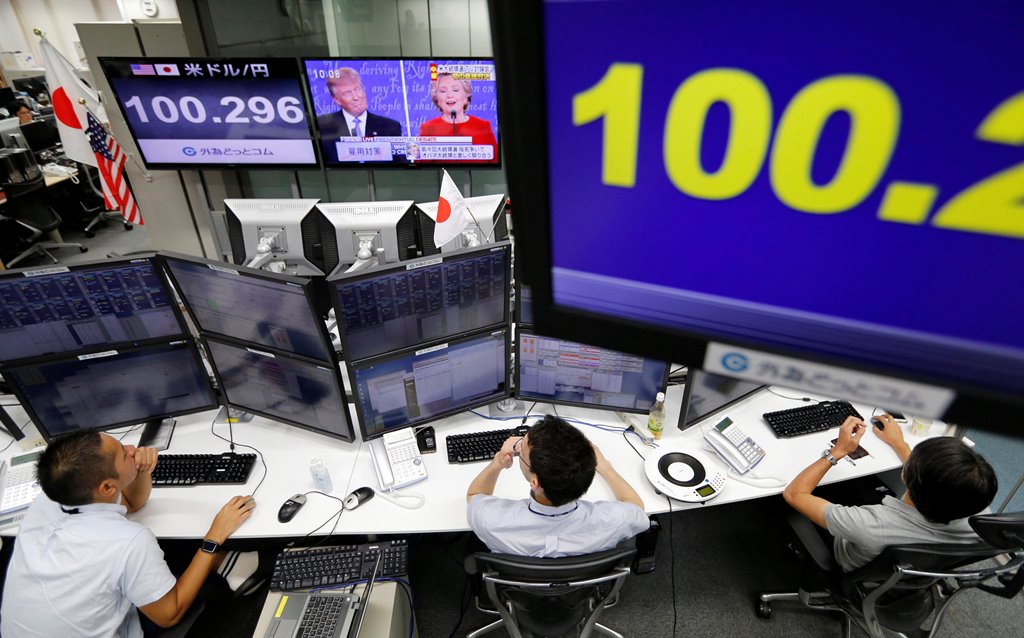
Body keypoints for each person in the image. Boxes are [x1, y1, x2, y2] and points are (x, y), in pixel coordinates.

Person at [1, 431, 260, 637]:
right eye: (123, 454)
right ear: (106, 487)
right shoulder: (127, 541)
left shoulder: (51, 499)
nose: (132, 449)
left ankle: (223, 563)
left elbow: (132, 503)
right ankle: (222, 563)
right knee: (185, 567)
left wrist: (140, 470)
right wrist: (214, 537)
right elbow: (169, 614)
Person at [783, 414, 998, 571]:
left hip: (848, 552)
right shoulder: (976, 507)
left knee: (787, 496)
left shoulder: (873, 524)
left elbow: (794, 494)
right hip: (904, 567)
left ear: (907, 477)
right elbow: (937, 479)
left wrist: (838, 451)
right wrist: (899, 443)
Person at [466, 415, 650, 557]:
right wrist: (605, 468)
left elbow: (474, 495)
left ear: (535, 482)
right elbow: (636, 506)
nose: (518, 446)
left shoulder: (491, 521)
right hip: (581, 587)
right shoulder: (615, 521)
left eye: (521, 448)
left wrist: (497, 463)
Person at [317, 67, 402, 163]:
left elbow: (401, 166)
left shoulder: (390, 127)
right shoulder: (322, 126)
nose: (356, 97)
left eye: (358, 89)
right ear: (336, 99)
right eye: (347, 93)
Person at [418, 73, 498, 163]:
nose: (449, 95)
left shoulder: (483, 126)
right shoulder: (428, 128)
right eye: (443, 91)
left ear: (466, 98)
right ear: (437, 100)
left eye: (455, 90)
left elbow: (495, 163)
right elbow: (422, 168)